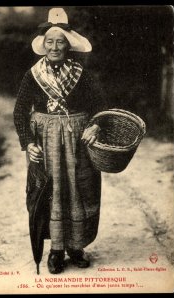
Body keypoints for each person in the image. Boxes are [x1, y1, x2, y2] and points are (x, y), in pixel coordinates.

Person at [13, 8, 107, 274]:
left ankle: (75, 246)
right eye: (50, 42)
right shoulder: (33, 74)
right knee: (51, 191)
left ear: (68, 45)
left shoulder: (82, 74)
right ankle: (55, 250)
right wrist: (28, 142)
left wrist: (96, 125)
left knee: (79, 189)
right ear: (44, 45)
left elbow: (100, 105)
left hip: (78, 141)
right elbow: (20, 112)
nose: (54, 47)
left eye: (60, 41)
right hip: (46, 140)